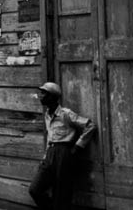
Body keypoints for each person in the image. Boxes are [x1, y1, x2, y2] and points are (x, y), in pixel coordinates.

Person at [29, 82, 96, 210]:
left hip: (64, 154)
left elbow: (90, 126)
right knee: (34, 189)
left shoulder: (66, 113)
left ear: (52, 97)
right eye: (40, 93)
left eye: (44, 93)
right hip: (50, 155)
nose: (40, 96)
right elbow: (50, 137)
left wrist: (77, 146)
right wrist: (45, 158)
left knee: (61, 194)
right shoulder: (47, 115)